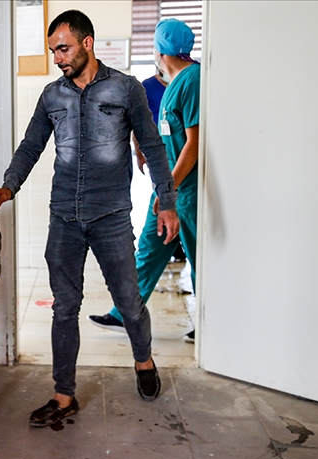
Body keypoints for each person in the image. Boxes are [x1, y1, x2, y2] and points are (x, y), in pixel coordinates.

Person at [0, 10, 180, 427]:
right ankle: (64, 395)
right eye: (53, 51)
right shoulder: (51, 96)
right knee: (64, 308)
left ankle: (143, 360)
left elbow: (152, 145)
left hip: (111, 216)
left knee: (129, 302)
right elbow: (31, 145)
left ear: (87, 43)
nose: (57, 58)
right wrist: (10, 185)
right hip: (65, 218)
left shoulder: (125, 88)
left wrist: (167, 201)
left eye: (63, 48)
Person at [89, 18, 201, 343]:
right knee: (150, 249)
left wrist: (171, 188)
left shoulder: (192, 80)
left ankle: (211, 325)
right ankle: (123, 313)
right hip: (168, 187)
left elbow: (194, 143)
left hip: (184, 190)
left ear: (160, 51)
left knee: (199, 259)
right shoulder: (175, 82)